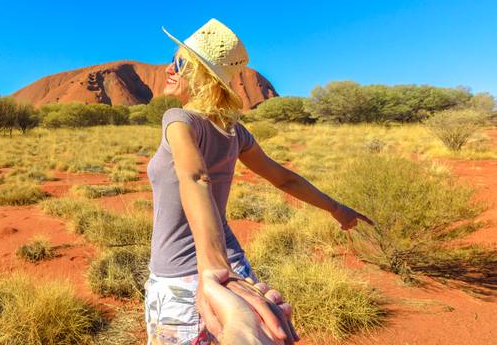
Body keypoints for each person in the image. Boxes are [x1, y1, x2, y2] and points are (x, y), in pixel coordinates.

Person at [144, 18, 375, 345]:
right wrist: (335, 208)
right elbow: (284, 179)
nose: (169, 68)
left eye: (180, 62)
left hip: (186, 276)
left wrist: (213, 270)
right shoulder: (235, 131)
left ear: (204, 76)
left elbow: (195, 177)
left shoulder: (178, 119)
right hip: (231, 265)